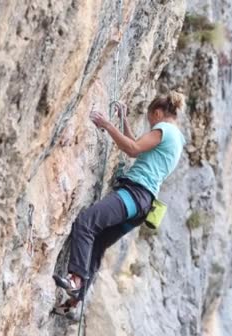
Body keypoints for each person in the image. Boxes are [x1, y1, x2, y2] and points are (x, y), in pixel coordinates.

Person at [53, 91, 187, 318]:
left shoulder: (164, 130)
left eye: (150, 120)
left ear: (157, 113)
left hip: (134, 194)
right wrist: (123, 119)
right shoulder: (177, 138)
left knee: (86, 223)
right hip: (142, 206)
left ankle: (75, 280)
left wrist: (106, 124)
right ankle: (74, 303)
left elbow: (132, 149)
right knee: (96, 243)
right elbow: (137, 145)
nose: (150, 125)